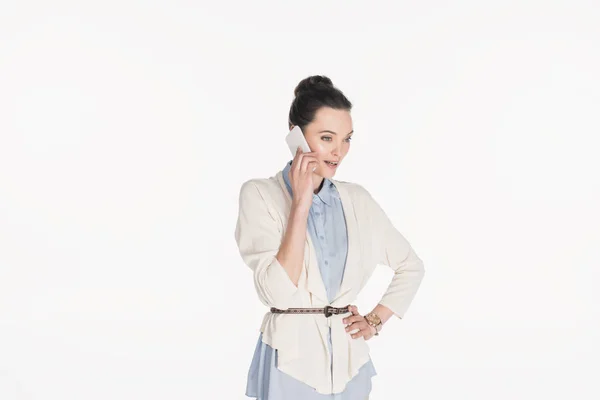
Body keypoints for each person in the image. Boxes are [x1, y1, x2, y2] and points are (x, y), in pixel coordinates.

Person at [234, 75, 425, 399]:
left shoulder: (358, 201)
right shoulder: (260, 194)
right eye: (326, 138)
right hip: (290, 361)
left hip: (350, 364)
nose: (339, 152)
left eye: (346, 139)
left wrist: (375, 320)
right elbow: (278, 293)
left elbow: (411, 266)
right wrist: (301, 204)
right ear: (295, 133)